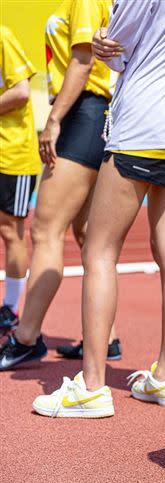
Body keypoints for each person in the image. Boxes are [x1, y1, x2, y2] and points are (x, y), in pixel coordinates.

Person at [31, 0, 165, 417]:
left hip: (143, 126)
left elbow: (114, 47)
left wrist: (101, 43)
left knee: (99, 251)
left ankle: (93, 386)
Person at [0, 0, 121, 372]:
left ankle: (25, 339)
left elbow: (82, 61)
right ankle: (107, 338)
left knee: (45, 229)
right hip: (94, 112)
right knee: (86, 233)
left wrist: (54, 119)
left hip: (84, 111)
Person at [0, 26, 39, 334]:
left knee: (10, 231)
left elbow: (22, 91)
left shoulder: (2, 36)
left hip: (12, 154)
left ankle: (11, 309)